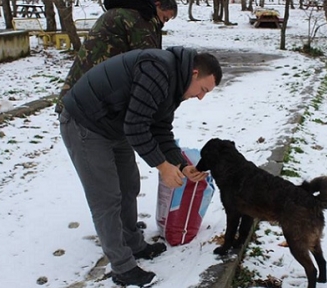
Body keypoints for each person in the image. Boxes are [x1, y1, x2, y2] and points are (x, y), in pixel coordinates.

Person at [59, 46, 223, 287]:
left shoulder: (176, 83)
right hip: (85, 123)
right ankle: (123, 268)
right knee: (107, 198)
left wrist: (179, 164)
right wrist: (162, 166)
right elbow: (136, 127)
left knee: (129, 185)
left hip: (115, 124)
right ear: (195, 73)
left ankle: (133, 243)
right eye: (203, 90)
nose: (201, 97)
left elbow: (159, 127)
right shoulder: (158, 70)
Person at [55, 0, 178, 114]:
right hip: (87, 105)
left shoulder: (122, 12)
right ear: (157, 4)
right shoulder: (140, 20)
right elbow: (149, 64)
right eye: (164, 18)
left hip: (77, 97)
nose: (162, 23)